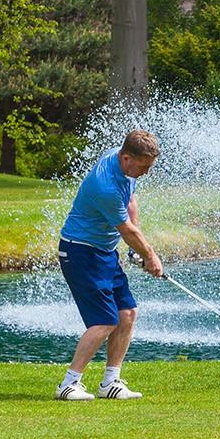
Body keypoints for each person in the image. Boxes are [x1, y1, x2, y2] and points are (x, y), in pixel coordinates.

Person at [55, 130, 164, 400]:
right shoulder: (104, 185)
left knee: (126, 313)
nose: (146, 172)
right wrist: (149, 256)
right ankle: (68, 384)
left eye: (149, 167)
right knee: (105, 320)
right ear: (127, 158)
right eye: (143, 167)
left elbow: (130, 202)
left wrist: (133, 250)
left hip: (103, 251)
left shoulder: (124, 166)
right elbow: (126, 229)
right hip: (80, 252)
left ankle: (110, 383)